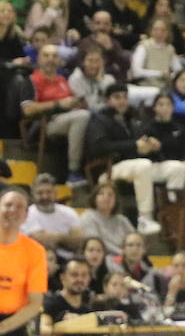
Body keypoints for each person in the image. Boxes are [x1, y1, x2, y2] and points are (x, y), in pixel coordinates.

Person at [83, 84, 165, 236]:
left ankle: (169, 217)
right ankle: (145, 217)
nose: (122, 101)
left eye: (125, 97)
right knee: (143, 166)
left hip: (132, 166)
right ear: (107, 100)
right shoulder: (99, 119)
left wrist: (152, 146)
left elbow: (138, 145)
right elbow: (99, 147)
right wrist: (134, 145)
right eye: (117, 97)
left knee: (176, 168)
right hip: (108, 168)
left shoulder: (131, 119)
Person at [21, 43, 92, 184]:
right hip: (46, 123)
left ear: (59, 61)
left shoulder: (63, 80)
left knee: (91, 117)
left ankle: (95, 170)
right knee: (82, 117)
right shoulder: (32, 79)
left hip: (68, 118)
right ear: (39, 59)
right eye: (46, 55)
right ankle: (74, 171)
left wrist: (77, 103)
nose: (50, 59)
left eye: (54, 56)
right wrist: (58, 104)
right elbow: (27, 110)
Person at [0, 186, 47, 334]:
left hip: (14, 324)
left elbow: (35, 303)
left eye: (19, 207)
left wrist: (3, 328)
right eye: (8, 205)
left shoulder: (35, 251)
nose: (13, 210)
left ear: (26, 215)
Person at [20, 174, 85, 257]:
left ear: (55, 193)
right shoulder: (26, 214)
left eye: (49, 192)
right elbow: (34, 242)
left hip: (68, 262)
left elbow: (79, 241)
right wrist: (65, 239)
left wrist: (56, 237)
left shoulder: (69, 212)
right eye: (40, 193)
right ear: (32, 195)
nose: (45, 196)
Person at [79, 182, 136, 254]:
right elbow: (97, 243)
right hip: (101, 258)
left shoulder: (122, 219)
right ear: (94, 198)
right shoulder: (87, 217)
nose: (106, 197)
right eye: (101, 194)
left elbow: (135, 239)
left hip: (125, 258)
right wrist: (123, 254)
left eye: (110, 195)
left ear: (116, 200)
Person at [40, 258, 93, 329]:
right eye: (74, 275)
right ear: (62, 277)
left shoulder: (90, 309)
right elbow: (43, 329)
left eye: (84, 275)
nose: (80, 279)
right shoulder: (50, 303)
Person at [130, 18, 183, 88]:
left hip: (165, 88)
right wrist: (160, 74)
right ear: (151, 31)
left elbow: (179, 71)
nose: (159, 33)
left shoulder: (170, 49)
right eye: (156, 29)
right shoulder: (143, 46)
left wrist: (171, 75)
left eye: (162, 30)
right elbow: (136, 72)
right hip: (145, 86)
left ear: (167, 32)